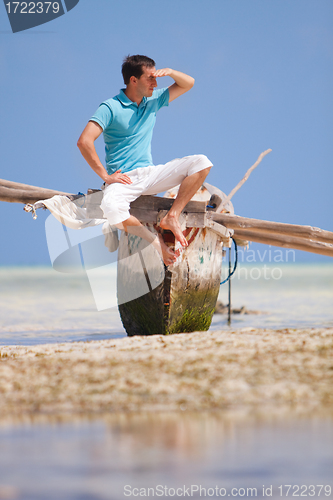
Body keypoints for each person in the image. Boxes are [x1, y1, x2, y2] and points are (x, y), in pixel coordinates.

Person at [77, 55, 213, 266]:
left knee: (202, 162)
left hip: (151, 175)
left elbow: (189, 83)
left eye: (156, 78)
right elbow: (84, 141)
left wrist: (170, 71)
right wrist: (105, 176)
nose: (155, 83)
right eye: (150, 78)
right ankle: (155, 243)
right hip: (125, 180)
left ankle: (172, 217)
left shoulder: (153, 100)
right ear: (133, 80)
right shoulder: (110, 107)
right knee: (111, 208)